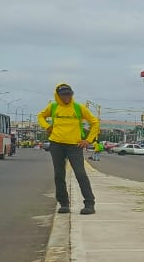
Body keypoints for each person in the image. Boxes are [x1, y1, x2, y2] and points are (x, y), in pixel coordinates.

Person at [37, 83, 99, 215]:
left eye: (69, 94)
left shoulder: (78, 108)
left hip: (74, 145)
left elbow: (94, 122)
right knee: (59, 174)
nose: (67, 97)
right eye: (64, 95)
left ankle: (89, 203)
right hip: (56, 144)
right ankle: (64, 203)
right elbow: (40, 116)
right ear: (58, 96)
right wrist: (47, 126)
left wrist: (88, 140)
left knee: (80, 173)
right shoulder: (53, 107)